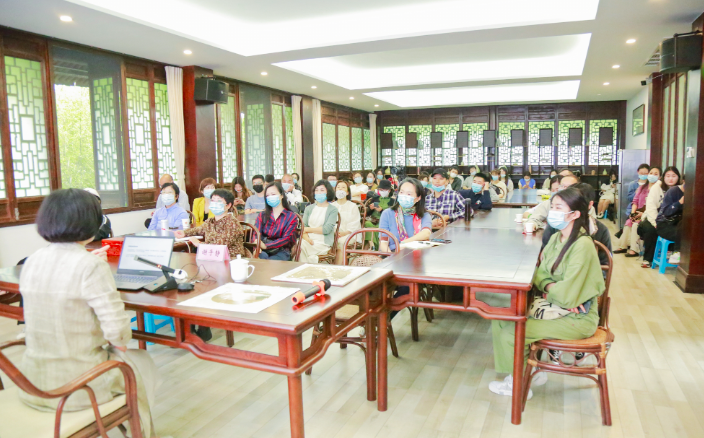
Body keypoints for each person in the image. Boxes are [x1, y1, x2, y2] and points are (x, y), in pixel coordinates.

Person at [21, 189, 159, 438]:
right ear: (90, 222)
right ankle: (142, 432)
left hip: (32, 382)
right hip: (76, 387)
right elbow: (118, 334)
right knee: (142, 363)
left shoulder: (32, 260)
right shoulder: (91, 265)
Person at [489, 187, 604, 399]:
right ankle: (526, 372)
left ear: (575, 214)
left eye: (559, 208)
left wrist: (550, 289)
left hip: (578, 318)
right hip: (557, 308)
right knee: (500, 318)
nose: (553, 212)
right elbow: (539, 274)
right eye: (552, 207)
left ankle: (519, 384)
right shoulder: (556, 238)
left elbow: (567, 295)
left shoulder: (582, 245)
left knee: (511, 333)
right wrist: (552, 289)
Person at [542, 183, 612, 266]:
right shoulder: (556, 225)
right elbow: (543, 256)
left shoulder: (599, 231)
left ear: (590, 204)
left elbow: (605, 263)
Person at [175, 189, 250, 259]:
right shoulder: (210, 221)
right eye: (213, 201)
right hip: (212, 258)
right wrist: (184, 233)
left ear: (228, 205)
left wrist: (199, 244)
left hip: (231, 260)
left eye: (219, 201)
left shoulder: (232, 223)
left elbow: (219, 246)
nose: (215, 204)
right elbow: (198, 230)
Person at [638, 166, 681, 268]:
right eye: (668, 176)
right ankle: (648, 259)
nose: (670, 179)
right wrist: (655, 223)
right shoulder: (656, 188)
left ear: (678, 177)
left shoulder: (680, 190)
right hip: (652, 218)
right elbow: (651, 208)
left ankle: (672, 252)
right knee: (651, 229)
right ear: (663, 177)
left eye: (673, 176)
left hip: (671, 219)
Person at [614, 166, 660, 257]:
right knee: (629, 222)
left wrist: (642, 214)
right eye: (651, 173)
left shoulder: (658, 189)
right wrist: (633, 213)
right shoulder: (642, 187)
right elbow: (635, 201)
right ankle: (623, 246)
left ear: (660, 177)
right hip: (638, 211)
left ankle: (634, 249)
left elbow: (655, 206)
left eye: (656, 174)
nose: (652, 176)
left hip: (648, 214)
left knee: (636, 224)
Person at [379, 178, 432, 252]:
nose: (404, 196)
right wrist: (392, 256)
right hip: (392, 253)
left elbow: (426, 233)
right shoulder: (387, 213)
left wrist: (404, 243)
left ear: (418, 198)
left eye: (409, 194)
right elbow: (383, 243)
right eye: (401, 192)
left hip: (417, 253)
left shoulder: (424, 215)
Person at [253, 182, 299, 261]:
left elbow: (286, 239)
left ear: (281, 195)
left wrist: (266, 246)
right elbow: (256, 233)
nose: (270, 197)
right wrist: (256, 247)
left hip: (282, 250)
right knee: (261, 258)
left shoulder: (291, 216)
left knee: (270, 263)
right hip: (262, 248)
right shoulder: (262, 215)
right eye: (267, 195)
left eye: (273, 194)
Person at [300, 180, 339, 263]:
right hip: (308, 240)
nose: (319, 193)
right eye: (316, 190)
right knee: (298, 245)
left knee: (298, 247)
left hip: (323, 243)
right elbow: (303, 227)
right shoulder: (309, 208)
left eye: (322, 190)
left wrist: (308, 229)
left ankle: (303, 268)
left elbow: (326, 229)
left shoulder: (333, 209)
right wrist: (306, 238)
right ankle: (307, 267)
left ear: (328, 192)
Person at [332, 180, 362, 263]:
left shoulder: (353, 206)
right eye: (338, 187)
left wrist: (344, 233)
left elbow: (355, 223)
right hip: (333, 234)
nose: (340, 189)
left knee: (341, 242)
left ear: (347, 192)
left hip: (350, 234)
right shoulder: (332, 206)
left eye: (343, 187)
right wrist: (335, 233)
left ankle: (339, 268)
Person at [656, 178, 685, 264]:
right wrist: (679, 203)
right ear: (683, 181)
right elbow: (666, 212)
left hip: (681, 225)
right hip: (665, 224)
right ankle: (677, 252)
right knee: (686, 235)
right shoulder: (673, 191)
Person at [364, 179, 397, 249]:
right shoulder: (375, 198)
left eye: (384, 190)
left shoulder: (392, 201)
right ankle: (372, 245)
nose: (382, 191)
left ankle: (379, 246)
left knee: (381, 227)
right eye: (381, 189)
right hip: (373, 220)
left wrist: (381, 210)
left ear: (389, 190)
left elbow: (393, 214)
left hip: (385, 221)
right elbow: (367, 213)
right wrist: (370, 208)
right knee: (367, 224)